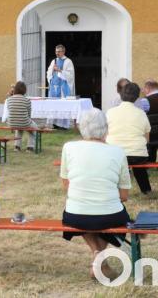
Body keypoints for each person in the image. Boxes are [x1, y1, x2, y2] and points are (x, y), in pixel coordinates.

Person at [59, 108, 132, 279]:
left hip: (75, 214)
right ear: (106, 129)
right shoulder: (118, 152)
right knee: (105, 215)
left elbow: (66, 185)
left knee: (87, 214)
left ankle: (97, 256)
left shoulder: (68, 147)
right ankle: (100, 260)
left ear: (81, 128)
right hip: (110, 215)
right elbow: (124, 196)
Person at [105, 82, 152, 194]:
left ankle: (111, 189)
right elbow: (147, 139)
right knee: (139, 168)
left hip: (114, 154)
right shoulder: (141, 113)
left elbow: (105, 134)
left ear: (120, 94)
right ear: (137, 97)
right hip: (138, 155)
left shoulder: (110, 112)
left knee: (113, 168)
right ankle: (146, 190)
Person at [46, 44, 75, 129]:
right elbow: (48, 72)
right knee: (53, 106)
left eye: (59, 51)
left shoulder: (68, 61)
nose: (57, 53)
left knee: (63, 105)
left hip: (63, 88)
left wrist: (59, 70)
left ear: (63, 52)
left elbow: (70, 75)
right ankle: (54, 123)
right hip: (54, 87)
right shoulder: (53, 61)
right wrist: (51, 72)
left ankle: (63, 125)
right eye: (56, 51)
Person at [2, 81, 37, 151]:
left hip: (11, 123)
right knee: (34, 128)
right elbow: (29, 114)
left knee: (18, 127)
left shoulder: (9, 100)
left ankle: (17, 146)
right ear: (24, 90)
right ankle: (30, 147)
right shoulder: (27, 100)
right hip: (24, 122)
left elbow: (9, 111)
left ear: (15, 89)